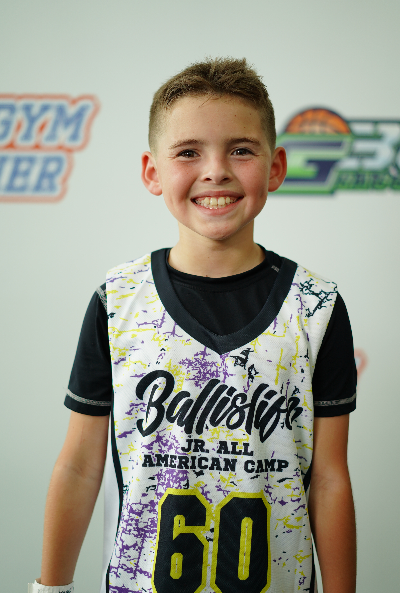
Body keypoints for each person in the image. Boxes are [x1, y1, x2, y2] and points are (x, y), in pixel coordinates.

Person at [29, 58, 357, 593]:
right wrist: (51, 588)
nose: (216, 171)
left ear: (275, 167)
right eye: (188, 152)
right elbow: (80, 466)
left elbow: (328, 479)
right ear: (152, 172)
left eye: (241, 150)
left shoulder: (316, 306)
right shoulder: (118, 300)